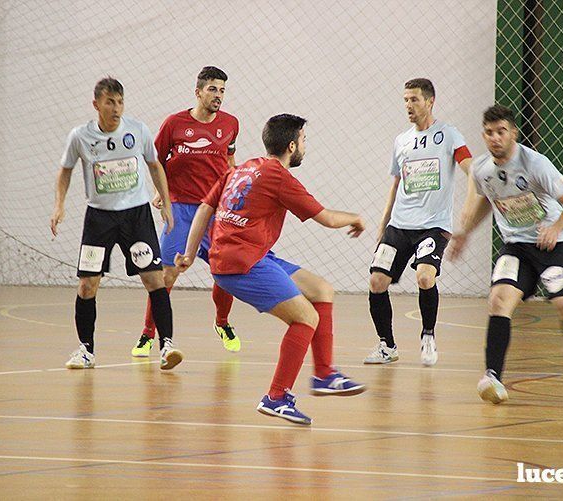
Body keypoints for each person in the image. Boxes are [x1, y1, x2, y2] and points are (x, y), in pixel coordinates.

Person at [175, 114, 366, 425]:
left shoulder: (243, 168)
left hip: (248, 254)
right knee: (306, 318)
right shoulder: (279, 177)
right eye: (304, 141)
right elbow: (328, 219)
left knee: (321, 290)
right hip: (241, 264)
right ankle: (276, 397)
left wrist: (188, 253)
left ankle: (325, 375)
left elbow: (204, 209)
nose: (306, 146)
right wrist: (356, 218)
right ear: (291, 146)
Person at [447, 104, 563, 404]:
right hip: (517, 246)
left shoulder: (536, 164)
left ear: (513, 133)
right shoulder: (482, 170)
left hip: (554, 243)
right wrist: (466, 232)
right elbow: (487, 200)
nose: (495, 138)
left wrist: (555, 227)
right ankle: (492, 376)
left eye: (501, 132)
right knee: (498, 300)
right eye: (489, 133)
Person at [50, 77, 182, 371]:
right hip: (99, 218)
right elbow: (65, 171)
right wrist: (59, 205)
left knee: (154, 279)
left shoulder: (138, 130)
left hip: (136, 216)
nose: (116, 108)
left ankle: (167, 346)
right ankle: (86, 350)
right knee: (87, 285)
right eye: (110, 102)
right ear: (96, 104)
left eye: (120, 102)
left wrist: (166, 202)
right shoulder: (80, 137)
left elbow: (154, 164)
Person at [131, 66, 241, 357]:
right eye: (213, 89)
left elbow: (230, 160)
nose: (218, 95)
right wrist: (160, 193)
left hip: (216, 212)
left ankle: (222, 322)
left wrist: (236, 191)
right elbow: (156, 162)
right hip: (180, 210)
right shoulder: (174, 124)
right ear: (198, 92)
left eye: (222, 90)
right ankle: (147, 334)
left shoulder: (230, 123)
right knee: (165, 275)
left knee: (226, 273)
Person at [364, 78, 472, 366]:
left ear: (430, 101)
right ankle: (387, 346)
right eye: (405, 100)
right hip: (399, 225)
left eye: (414, 99)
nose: (408, 105)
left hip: (434, 226)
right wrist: (383, 225)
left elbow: (471, 170)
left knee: (425, 276)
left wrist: (469, 209)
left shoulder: (448, 135)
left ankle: (428, 335)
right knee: (376, 281)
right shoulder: (401, 141)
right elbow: (396, 184)